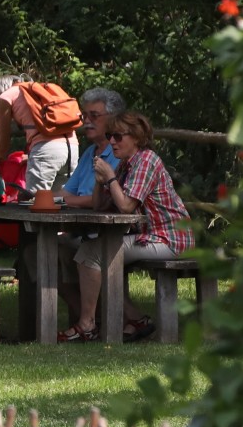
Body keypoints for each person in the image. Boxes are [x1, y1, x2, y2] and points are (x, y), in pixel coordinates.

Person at [61, 112, 194, 342]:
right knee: (85, 249)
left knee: (93, 253)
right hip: (150, 236)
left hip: (170, 238)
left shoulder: (146, 161)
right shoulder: (126, 164)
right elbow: (99, 207)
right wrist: (99, 180)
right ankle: (134, 319)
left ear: (137, 138)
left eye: (118, 136)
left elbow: (125, 206)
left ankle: (88, 324)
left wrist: (111, 177)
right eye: (110, 135)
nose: (112, 141)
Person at [55, 88, 126, 321]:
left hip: (110, 232)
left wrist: (70, 201)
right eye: (84, 116)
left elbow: (106, 200)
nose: (86, 122)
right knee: (40, 254)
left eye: (94, 116)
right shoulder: (89, 153)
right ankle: (88, 320)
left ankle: (93, 323)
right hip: (83, 229)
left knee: (70, 251)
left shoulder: (120, 153)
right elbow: (66, 193)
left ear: (113, 119)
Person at [0, 75, 78, 195]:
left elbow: (3, 139)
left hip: (46, 149)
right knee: (60, 202)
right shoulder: (38, 90)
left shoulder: (6, 96)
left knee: (36, 202)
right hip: (72, 148)